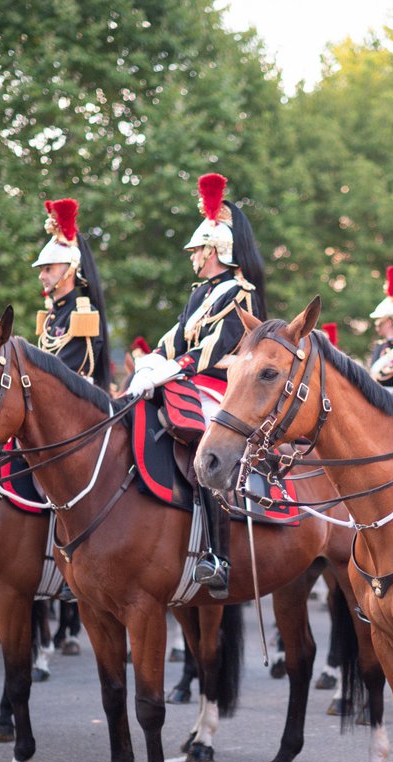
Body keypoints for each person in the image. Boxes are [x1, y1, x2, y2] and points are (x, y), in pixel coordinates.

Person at [127, 173, 268, 599]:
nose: (192, 256)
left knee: (211, 448)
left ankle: (217, 556)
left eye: (197, 249)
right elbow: (177, 337)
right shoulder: (199, 293)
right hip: (189, 379)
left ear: (214, 250)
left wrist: (172, 369)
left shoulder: (239, 292)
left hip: (222, 385)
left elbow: (214, 349)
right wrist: (153, 360)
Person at [33, 198, 110, 389]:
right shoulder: (53, 314)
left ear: (71, 269)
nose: (42, 276)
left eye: (48, 269)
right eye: (41, 269)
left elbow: (67, 370)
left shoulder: (84, 314)